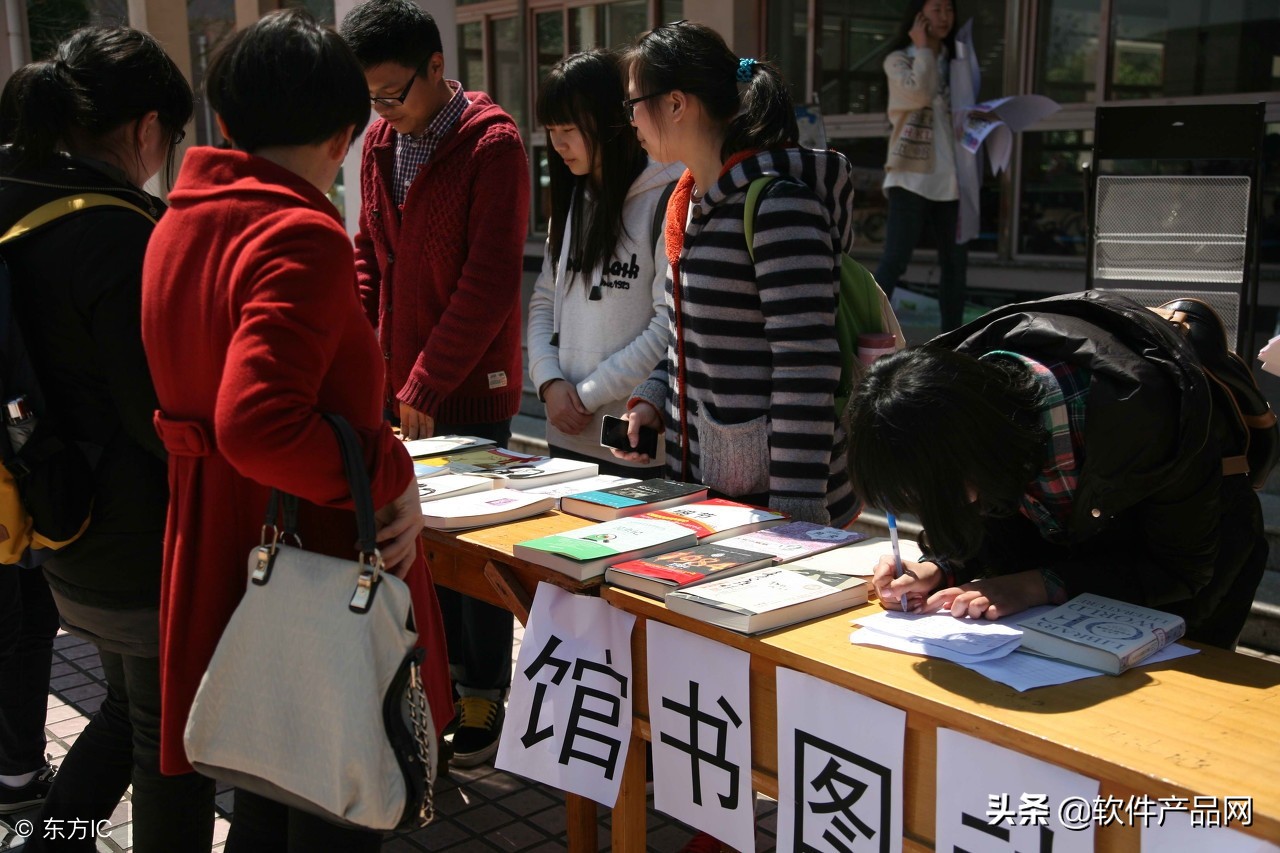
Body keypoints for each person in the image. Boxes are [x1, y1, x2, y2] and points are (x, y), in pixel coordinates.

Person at [139, 11, 452, 850]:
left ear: (230, 122)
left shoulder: (179, 220)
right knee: (333, 791)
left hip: (226, 539)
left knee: (268, 782)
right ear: (345, 134)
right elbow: (258, 423)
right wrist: (388, 469)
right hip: (314, 555)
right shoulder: (299, 230)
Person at [0, 28, 216, 851]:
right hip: (138, 548)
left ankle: (56, 840)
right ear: (144, 127)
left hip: (51, 526)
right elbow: (159, 414)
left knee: (131, 710)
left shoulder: (15, 197)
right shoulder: (119, 234)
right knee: (175, 747)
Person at [846, 292, 1268, 649]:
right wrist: (939, 565)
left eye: (933, 496)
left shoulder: (1145, 418)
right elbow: (993, 518)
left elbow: (1179, 571)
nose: (932, 508)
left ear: (976, 456)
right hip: (1070, 599)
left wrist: (1033, 585)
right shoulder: (970, 411)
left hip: (1194, 583)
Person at [340, 0, 530, 767]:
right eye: (372, 99)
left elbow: (488, 283)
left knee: (474, 559)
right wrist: (360, 355)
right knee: (419, 550)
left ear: (437, 68)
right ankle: (438, 684)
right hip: (400, 390)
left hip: (469, 393)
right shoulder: (381, 143)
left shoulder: (494, 145)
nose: (383, 111)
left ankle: (485, 688)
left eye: (395, 92)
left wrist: (424, 379)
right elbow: (367, 256)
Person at [615, 20, 858, 529]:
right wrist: (653, 400)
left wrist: (797, 521)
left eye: (635, 103)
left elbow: (807, 368)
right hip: (711, 496)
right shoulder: (688, 205)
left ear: (677, 103)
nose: (631, 119)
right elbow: (695, 337)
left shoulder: (779, 207)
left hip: (776, 508)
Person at [527, 50, 680, 478]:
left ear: (609, 123)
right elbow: (543, 302)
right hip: (564, 432)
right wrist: (548, 383)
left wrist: (584, 396)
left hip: (631, 437)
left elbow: (666, 326)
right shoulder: (572, 201)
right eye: (552, 130)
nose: (558, 145)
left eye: (570, 129)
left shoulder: (665, 199)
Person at [874, 0, 968, 332]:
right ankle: (868, 331)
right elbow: (920, 95)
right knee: (895, 261)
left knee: (955, 264)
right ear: (919, 16)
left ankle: (955, 339)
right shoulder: (898, 59)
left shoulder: (959, 61)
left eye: (949, 10)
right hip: (910, 176)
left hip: (954, 179)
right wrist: (923, 49)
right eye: (937, 9)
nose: (944, 17)